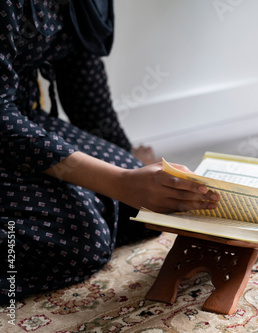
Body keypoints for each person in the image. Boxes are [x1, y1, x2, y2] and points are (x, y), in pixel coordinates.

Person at [0, 1, 219, 303]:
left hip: (26, 118)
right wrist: (120, 181)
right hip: (5, 124)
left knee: (138, 214)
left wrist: (127, 164)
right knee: (82, 239)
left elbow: (82, 82)